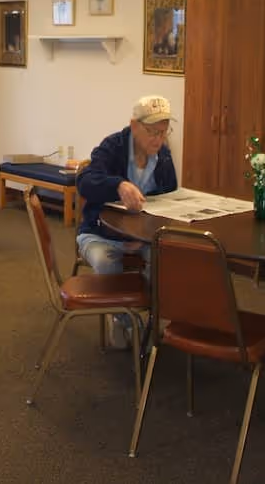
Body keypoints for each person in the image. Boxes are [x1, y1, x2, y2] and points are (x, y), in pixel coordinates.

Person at [76, 95, 178, 346]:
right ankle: (125, 319)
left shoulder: (162, 154)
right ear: (134, 126)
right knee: (106, 261)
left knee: (167, 260)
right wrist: (118, 185)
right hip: (100, 233)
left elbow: (171, 194)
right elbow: (85, 181)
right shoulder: (113, 147)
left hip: (142, 236)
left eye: (164, 132)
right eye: (152, 132)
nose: (159, 139)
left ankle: (148, 315)